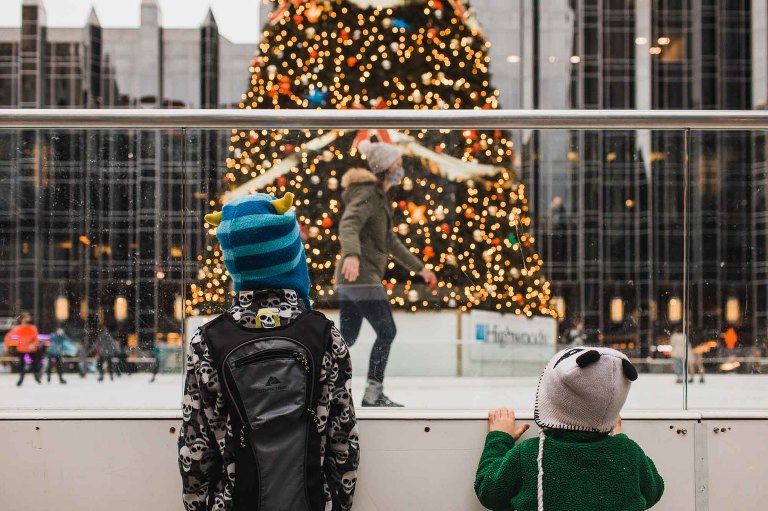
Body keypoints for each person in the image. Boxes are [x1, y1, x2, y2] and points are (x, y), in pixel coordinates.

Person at [179, 192, 359, 511]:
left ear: (236, 265)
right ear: (292, 257)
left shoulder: (207, 341)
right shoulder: (324, 335)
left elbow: (196, 451)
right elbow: (343, 441)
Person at [475, 347, 664, 511]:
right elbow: (654, 490)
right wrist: (621, 441)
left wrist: (499, 437)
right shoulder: (630, 453)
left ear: (551, 398)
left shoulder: (529, 454)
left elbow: (489, 492)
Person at [335, 140, 437, 407]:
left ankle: (322, 382)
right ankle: (372, 393)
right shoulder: (368, 194)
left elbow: (390, 241)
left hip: (354, 281)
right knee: (386, 331)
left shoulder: (379, 198)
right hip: (361, 277)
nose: (401, 169)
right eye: (397, 164)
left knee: (347, 338)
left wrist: (420, 268)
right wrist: (353, 255)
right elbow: (349, 223)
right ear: (384, 167)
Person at [4, 312, 41, 386]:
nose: (27, 319)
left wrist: (33, 345)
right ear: (22, 319)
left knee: (34, 364)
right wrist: (6, 345)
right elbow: (8, 336)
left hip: (31, 350)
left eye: (28, 318)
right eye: (26, 318)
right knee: (22, 366)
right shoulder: (18, 328)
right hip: (21, 349)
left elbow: (36, 338)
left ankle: (36, 377)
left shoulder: (32, 328)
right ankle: (21, 379)